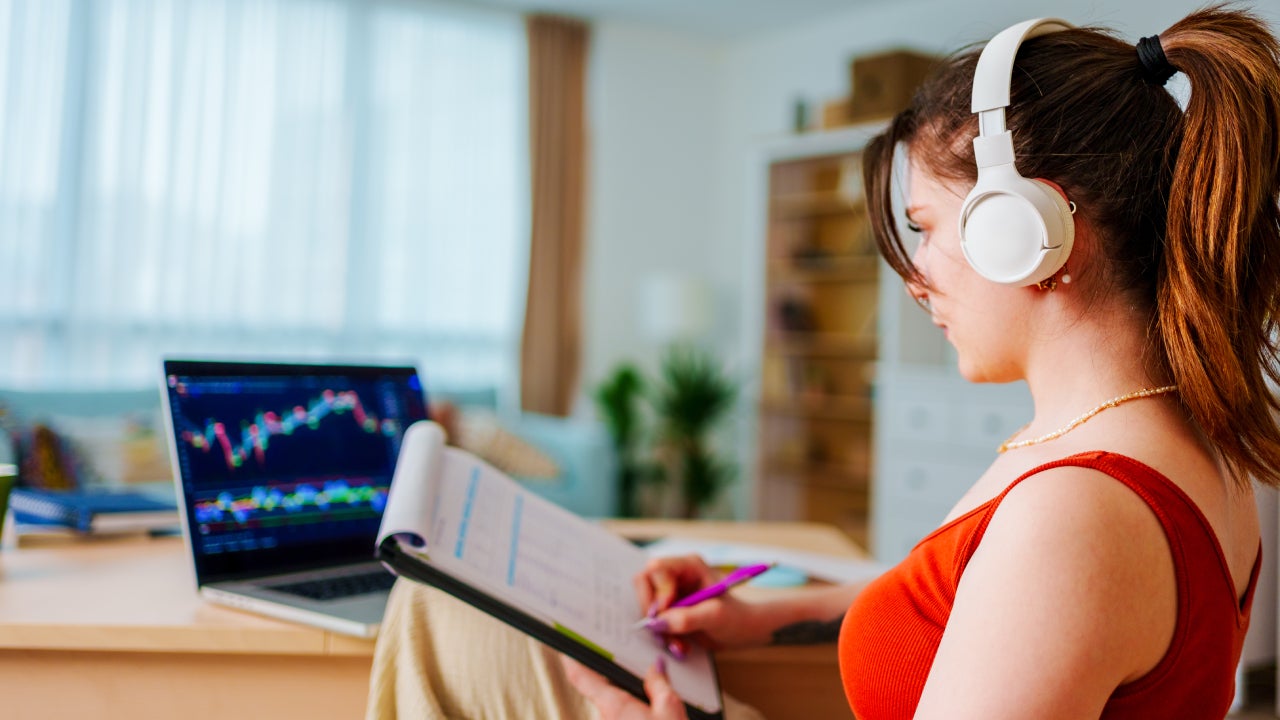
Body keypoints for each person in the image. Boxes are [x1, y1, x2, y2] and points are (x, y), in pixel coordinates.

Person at [366, 6, 1280, 719]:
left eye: (924, 229)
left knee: (432, 617)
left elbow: (1033, 590)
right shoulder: (1173, 443)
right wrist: (765, 611)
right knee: (446, 614)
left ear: (1029, 232)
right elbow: (980, 611)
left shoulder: (1080, 513)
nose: (917, 279)